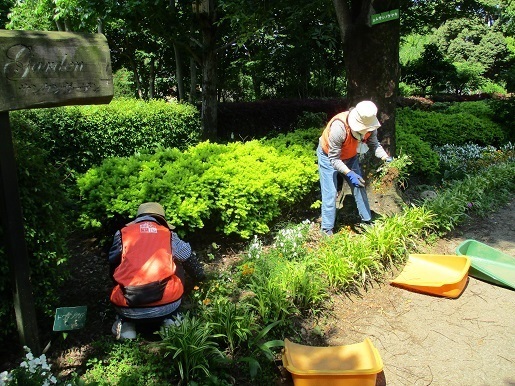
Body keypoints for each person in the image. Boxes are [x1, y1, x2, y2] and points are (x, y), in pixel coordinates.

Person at [108, 202, 205, 340]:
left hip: (128, 305)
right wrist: (200, 277)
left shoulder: (122, 234)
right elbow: (188, 257)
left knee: (120, 267)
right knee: (177, 261)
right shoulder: (169, 234)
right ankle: (171, 321)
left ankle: (126, 326)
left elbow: (113, 263)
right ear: (161, 220)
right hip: (166, 305)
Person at [317, 100, 392, 236]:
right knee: (331, 193)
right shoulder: (339, 128)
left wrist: (385, 158)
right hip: (328, 156)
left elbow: (374, 145)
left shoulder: (370, 127)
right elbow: (334, 159)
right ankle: (327, 228)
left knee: (360, 186)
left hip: (350, 157)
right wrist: (350, 174)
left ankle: (367, 221)